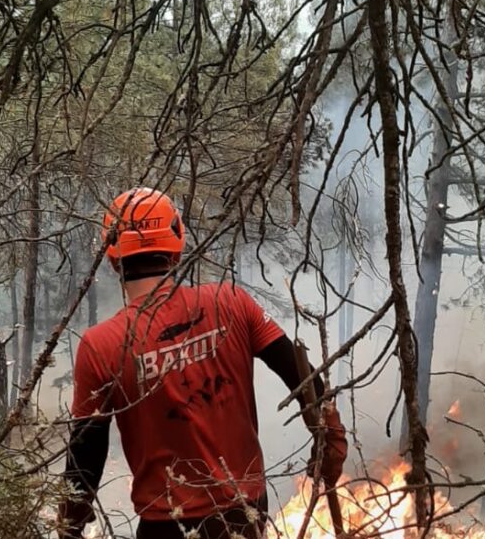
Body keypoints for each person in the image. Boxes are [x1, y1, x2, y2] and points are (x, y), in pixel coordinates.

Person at [57, 187, 347, 539]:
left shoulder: (100, 345)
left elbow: (86, 457)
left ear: (113, 257)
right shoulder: (233, 302)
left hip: (167, 526)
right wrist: (330, 435)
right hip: (247, 514)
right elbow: (300, 373)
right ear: (177, 248)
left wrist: (70, 523)